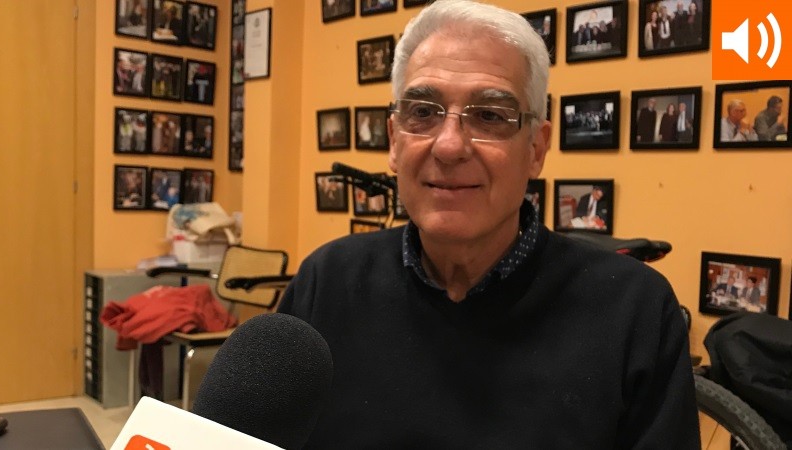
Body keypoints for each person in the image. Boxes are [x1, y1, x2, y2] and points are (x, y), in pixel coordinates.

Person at [278, 1, 699, 447]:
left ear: (536, 149)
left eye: (490, 116)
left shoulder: (634, 313)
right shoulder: (327, 285)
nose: (449, 146)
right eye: (423, 112)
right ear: (394, 141)